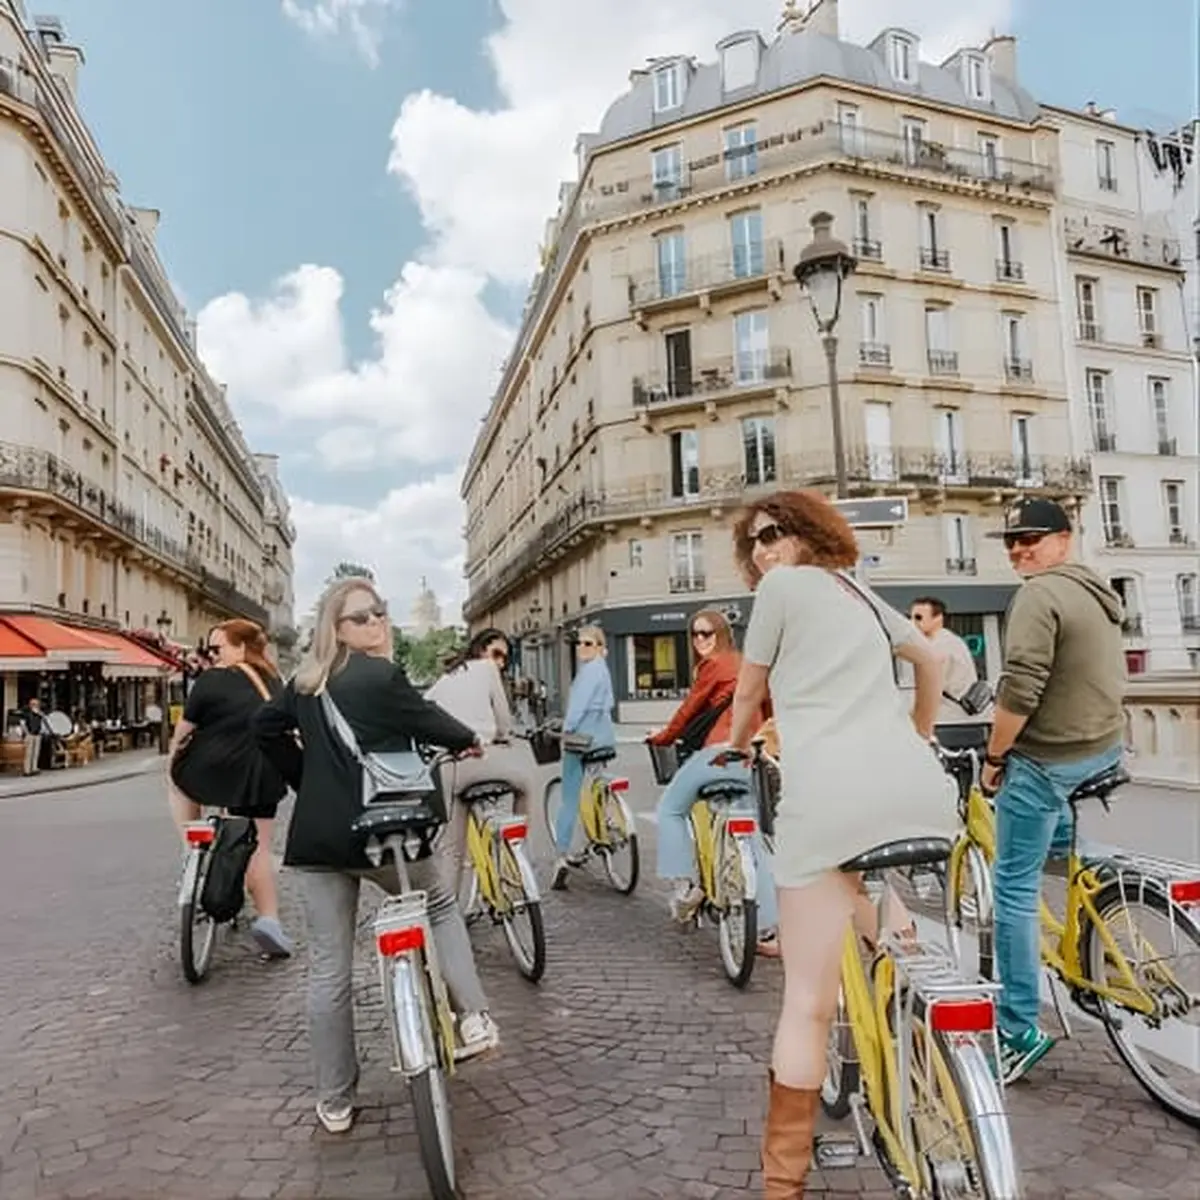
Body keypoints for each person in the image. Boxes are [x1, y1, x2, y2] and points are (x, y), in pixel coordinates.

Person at [724, 489, 953, 1198]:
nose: (762, 552)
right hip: (918, 791)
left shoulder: (782, 591)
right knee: (873, 908)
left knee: (806, 1003)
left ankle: (782, 1187)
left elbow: (746, 693)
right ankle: (931, 1048)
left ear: (805, 535)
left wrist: (735, 747)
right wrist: (916, 733)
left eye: (774, 534)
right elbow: (931, 665)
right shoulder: (857, 591)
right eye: (753, 543)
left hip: (829, 800)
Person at [253, 576, 498, 1135]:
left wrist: (307, 780)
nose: (376, 622)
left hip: (318, 841)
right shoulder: (381, 675)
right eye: (362, 617)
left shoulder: (304, 683)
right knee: (437, 903)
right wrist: (466, 739)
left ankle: (335, 1099)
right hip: (383, 831)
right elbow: (430, 723)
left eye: (380, 612)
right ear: (337, 629)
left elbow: (263, 727)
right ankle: (474, 1017)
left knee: (329, 970)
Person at [981, 498, 1125, 1083]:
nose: (1020, 549)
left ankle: (1017, 1028)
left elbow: (1021, 690)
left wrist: (994, 758)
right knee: (1061, 853)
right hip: (1104, 745)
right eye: (1012, 541)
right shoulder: (1091, 586)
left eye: (1032, 538)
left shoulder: (1038, 595)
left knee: (1011, 887)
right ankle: (1100, 919)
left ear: (1063, 539)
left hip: (1051, 758)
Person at [647, 609, 780, 954]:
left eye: (707, 633)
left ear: (722, 634)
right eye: (695, 634)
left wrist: (660, 737)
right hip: (750, 756)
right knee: (751, 840)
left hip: (717, 755)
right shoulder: (751, 664)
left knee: (671, 810)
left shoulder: (713, 667)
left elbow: (687, 713)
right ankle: (767, 931)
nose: (701, 640)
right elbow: (769, 709)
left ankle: (686, 887)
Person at [167, 619, 293, 958]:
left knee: (178, 783)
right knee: (258, 847)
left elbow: (182, 735)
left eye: (217, 648)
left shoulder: (211, 681)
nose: (211, 655)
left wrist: (171, 763)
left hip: (209, 772)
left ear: (240, 648)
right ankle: (270, 921)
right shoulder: (273, 681)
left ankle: (190, 849)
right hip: (260, 774)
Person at [426, 629, 538, 892]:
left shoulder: (443, 679)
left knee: (452, 852)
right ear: (480, 650)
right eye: (496, 654)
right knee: (525, 783)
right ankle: (517, 851)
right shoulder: (487, 669)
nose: (499, 662)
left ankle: (447, 920)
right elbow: (503, 717)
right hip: (479, 758)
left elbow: (426, 711)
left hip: (448, 767)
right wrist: (502, 735)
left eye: (504, 659)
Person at [550, 625, 615, 891]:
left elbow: (577, 709)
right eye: (579, 644)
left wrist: (565, 729)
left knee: (569, 798)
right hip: (605, 738)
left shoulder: (589, 673)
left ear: (600, 647)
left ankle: (561, 857)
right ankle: (607, 824)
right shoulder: (604, 671)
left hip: (582, 740)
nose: (581, 648)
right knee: (597, 782)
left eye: (588, 644)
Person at [909, 596, 992, 749]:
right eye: (911, 617)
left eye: (919, 617)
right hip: (967, 720)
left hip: (948, 722)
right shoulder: (953, 640)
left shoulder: (938, 647)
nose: (913, 623)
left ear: (938, 618)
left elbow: (930, 690)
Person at [20, 697, 45, 776]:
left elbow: (43, 722)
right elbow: (22, 723)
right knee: (29, 753)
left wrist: (40, 715)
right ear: (30, 705)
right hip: (30, 734)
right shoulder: (26, 713)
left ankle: (34, 768)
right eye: (33, 704)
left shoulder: (39, 714)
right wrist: (27, 733)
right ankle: (27, 770)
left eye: (37, 704)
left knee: (36, 752)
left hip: (37, 734)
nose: (35, 706)